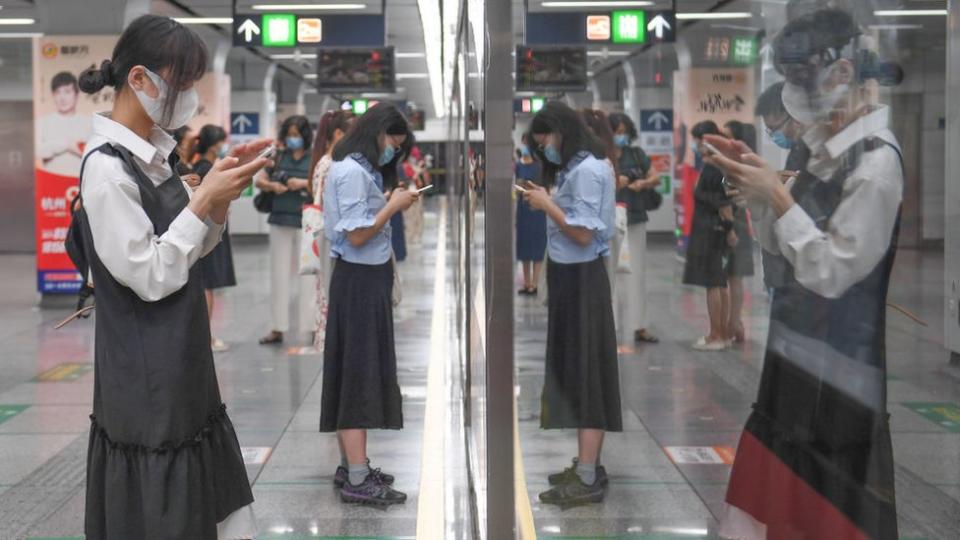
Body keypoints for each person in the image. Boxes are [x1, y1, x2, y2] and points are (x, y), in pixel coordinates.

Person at [72, 14, 271, 539]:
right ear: (139, 79)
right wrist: (201, 198)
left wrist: (218, 200)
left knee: (205, 507)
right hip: (144, 378)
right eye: (179, 83)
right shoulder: (107, 170)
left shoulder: (158, 157)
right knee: (162, 512)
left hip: (182, 361)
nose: (187, 97)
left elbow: (191, 250)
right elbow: (153, 274)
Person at [706, 8, 903, 538]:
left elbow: (831, 271)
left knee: (822, 508)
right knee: (778, 503)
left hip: (841, 373)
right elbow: (781, 245)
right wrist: (762, 190)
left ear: (843, 75)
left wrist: (777, 196)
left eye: (803, 83)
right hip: (795, 357)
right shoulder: (819, 152)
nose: (802, 107)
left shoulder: (877, 165)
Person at [522, 102, 621, 507]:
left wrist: (548, 205)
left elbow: (582, 234)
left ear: (564, 131)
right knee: (574, 371)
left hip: (583, 280)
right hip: (568, 278)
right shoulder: (574, 169)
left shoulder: (589, 171)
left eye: (546, 140)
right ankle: (586, 463)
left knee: (587, 375)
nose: (544, 149)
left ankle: (587, 474)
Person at [321, 103, 418, 505]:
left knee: (360, 370)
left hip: (367, 279)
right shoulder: (349, 172)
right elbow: (357, 236)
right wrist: (392, 208)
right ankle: (358, 480)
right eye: (390, 144)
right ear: (374, 132)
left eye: (398, 149)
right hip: (358, 281)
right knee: (357, 376)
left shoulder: (360, 171)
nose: (392, 152)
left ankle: (353, 466)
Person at [256, 115, 315, 345]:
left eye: (296, 135)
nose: (293, 139)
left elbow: (321, 181)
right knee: (278, 275)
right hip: (280, 218)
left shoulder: (314, 158)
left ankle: (309, 326)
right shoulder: (278, 156)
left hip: (306, 220)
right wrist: (274, 186)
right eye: (289, 135)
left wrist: (300, 184)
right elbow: (259, 179)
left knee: (308, 275)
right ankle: (277, 327)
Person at [609, 112, 661, 344]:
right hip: (611, 220)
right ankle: (611, 324)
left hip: (636, 217)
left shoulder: (636, 154)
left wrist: (643, 183)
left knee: (637, 273)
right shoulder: (603, 156)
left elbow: (655, 177)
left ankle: (639, 325)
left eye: (624, 132)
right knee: (612, 273)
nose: (621, 136)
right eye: (616, 132)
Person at [683, 120, 733, 351]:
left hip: (712, 229)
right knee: (720, 283)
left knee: (713, 283)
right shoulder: (713, 165)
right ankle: (722, 333)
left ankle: (717, 335)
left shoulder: (715, 168)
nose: (695, 144)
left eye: (698, 140)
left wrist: (729, 228)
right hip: (714, 228)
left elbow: (725, 202)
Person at [308, 109, 355, 352]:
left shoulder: (326, 162)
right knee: (329, 291)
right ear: (338, 134)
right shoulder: (330, 164)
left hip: (328, 237)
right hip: (330, 238)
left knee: (327, 291)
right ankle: (331, 343)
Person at [194, 124, 238, 352]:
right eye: (221, 141)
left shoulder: (201, 165)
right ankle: (206, 338)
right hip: (207, 230)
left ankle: (205, 336)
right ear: (214, 144)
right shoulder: (205, 168)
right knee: (207, 285)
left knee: (207, 285)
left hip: (207, 229)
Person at [720, 120, 757, 344]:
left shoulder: (742, 166)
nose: (724, 141)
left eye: (728, 137)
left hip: (737, 224)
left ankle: (733, 323)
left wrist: (731, 227)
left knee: (735, 277)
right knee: (727, 277)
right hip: (726, 223)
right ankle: (733, 323)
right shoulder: (724, 163)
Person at [38, 71, 93, 176]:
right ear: (53, 96)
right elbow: (38, 151)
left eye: (67, 92)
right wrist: (68, 145)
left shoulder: (89, 122)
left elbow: (94, 154)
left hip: (80, 182)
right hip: (51, 181)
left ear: (76, 95)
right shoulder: (43, 122)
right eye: (58, 92)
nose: (62, 98)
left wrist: (53, 146)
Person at [514, 135, 545, 295]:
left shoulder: (540, 166)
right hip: (523, 208)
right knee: (524, 245)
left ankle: (535, 283)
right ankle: (526, 283)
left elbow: (542, 187)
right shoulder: (518, 166)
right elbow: (515, 187)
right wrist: (518, 187)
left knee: (537, 245)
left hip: (537, 210)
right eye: (524, 142)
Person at [401, 146, 429, 246]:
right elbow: (408, 179)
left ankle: (416, 235)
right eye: (413, 157)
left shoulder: (418, 166)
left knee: (417, 215)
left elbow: (425, 181)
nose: (415, 159)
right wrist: (417, 172)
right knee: (409, 217)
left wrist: (422, 170)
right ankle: (410, 238)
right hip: (408, 194)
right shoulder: (405, 166)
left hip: (418, 193)